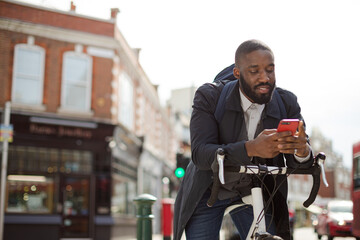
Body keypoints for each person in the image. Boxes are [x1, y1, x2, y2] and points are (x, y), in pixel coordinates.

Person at [173, 39, 313, 240]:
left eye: (270, 70)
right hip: (209, 189)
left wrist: (302, 152)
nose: (264, 78)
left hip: (255, 188)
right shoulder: (208, 96)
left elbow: (298, 160)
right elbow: (201, 153)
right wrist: (251, 148)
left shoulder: (286, 102)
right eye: (254, 71)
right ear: (237, 74)